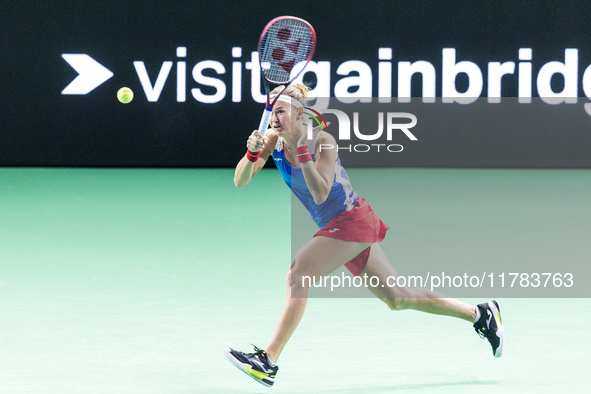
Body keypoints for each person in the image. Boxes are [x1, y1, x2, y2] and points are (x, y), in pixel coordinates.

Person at [224, 84, 503, 388]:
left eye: (281, 110)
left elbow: (319, 194)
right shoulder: (274, 141)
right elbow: (241, 180)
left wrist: (303, 151)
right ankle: (480, 314)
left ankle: (268, 359)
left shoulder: (323, 142)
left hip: (350, 219)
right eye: (272, 109)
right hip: (335, 226)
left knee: (298, 275)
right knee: (397, 299)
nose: (274, 117)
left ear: (299, 113)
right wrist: (252, 152)